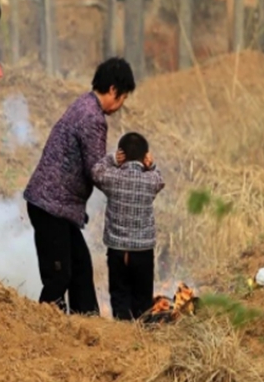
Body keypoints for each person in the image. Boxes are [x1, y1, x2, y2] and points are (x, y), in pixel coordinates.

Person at [23, 57, 136, 315]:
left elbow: (90, 160)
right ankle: (41, 331)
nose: (121, 105)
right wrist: (127, 190)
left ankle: (88, 328)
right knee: (58, 277)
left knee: (81, 271)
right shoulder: (93, 118)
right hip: (51, 207)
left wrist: (110, 163)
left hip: (57, 207)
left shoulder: (84, 104)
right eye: (123, 98)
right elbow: (96, 171)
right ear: (113, 91)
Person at [91, 132, 165, 321]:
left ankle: (122, 333)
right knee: (142, 297)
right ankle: (140, 334)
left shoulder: (112, 177)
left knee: (119, 295)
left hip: (116, 249)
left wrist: (111, 159)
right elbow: (160, 179)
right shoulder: (150, 179)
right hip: (142, 250)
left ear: (121, 155)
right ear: (145, 156)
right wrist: (152, 166)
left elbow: (95, 172)